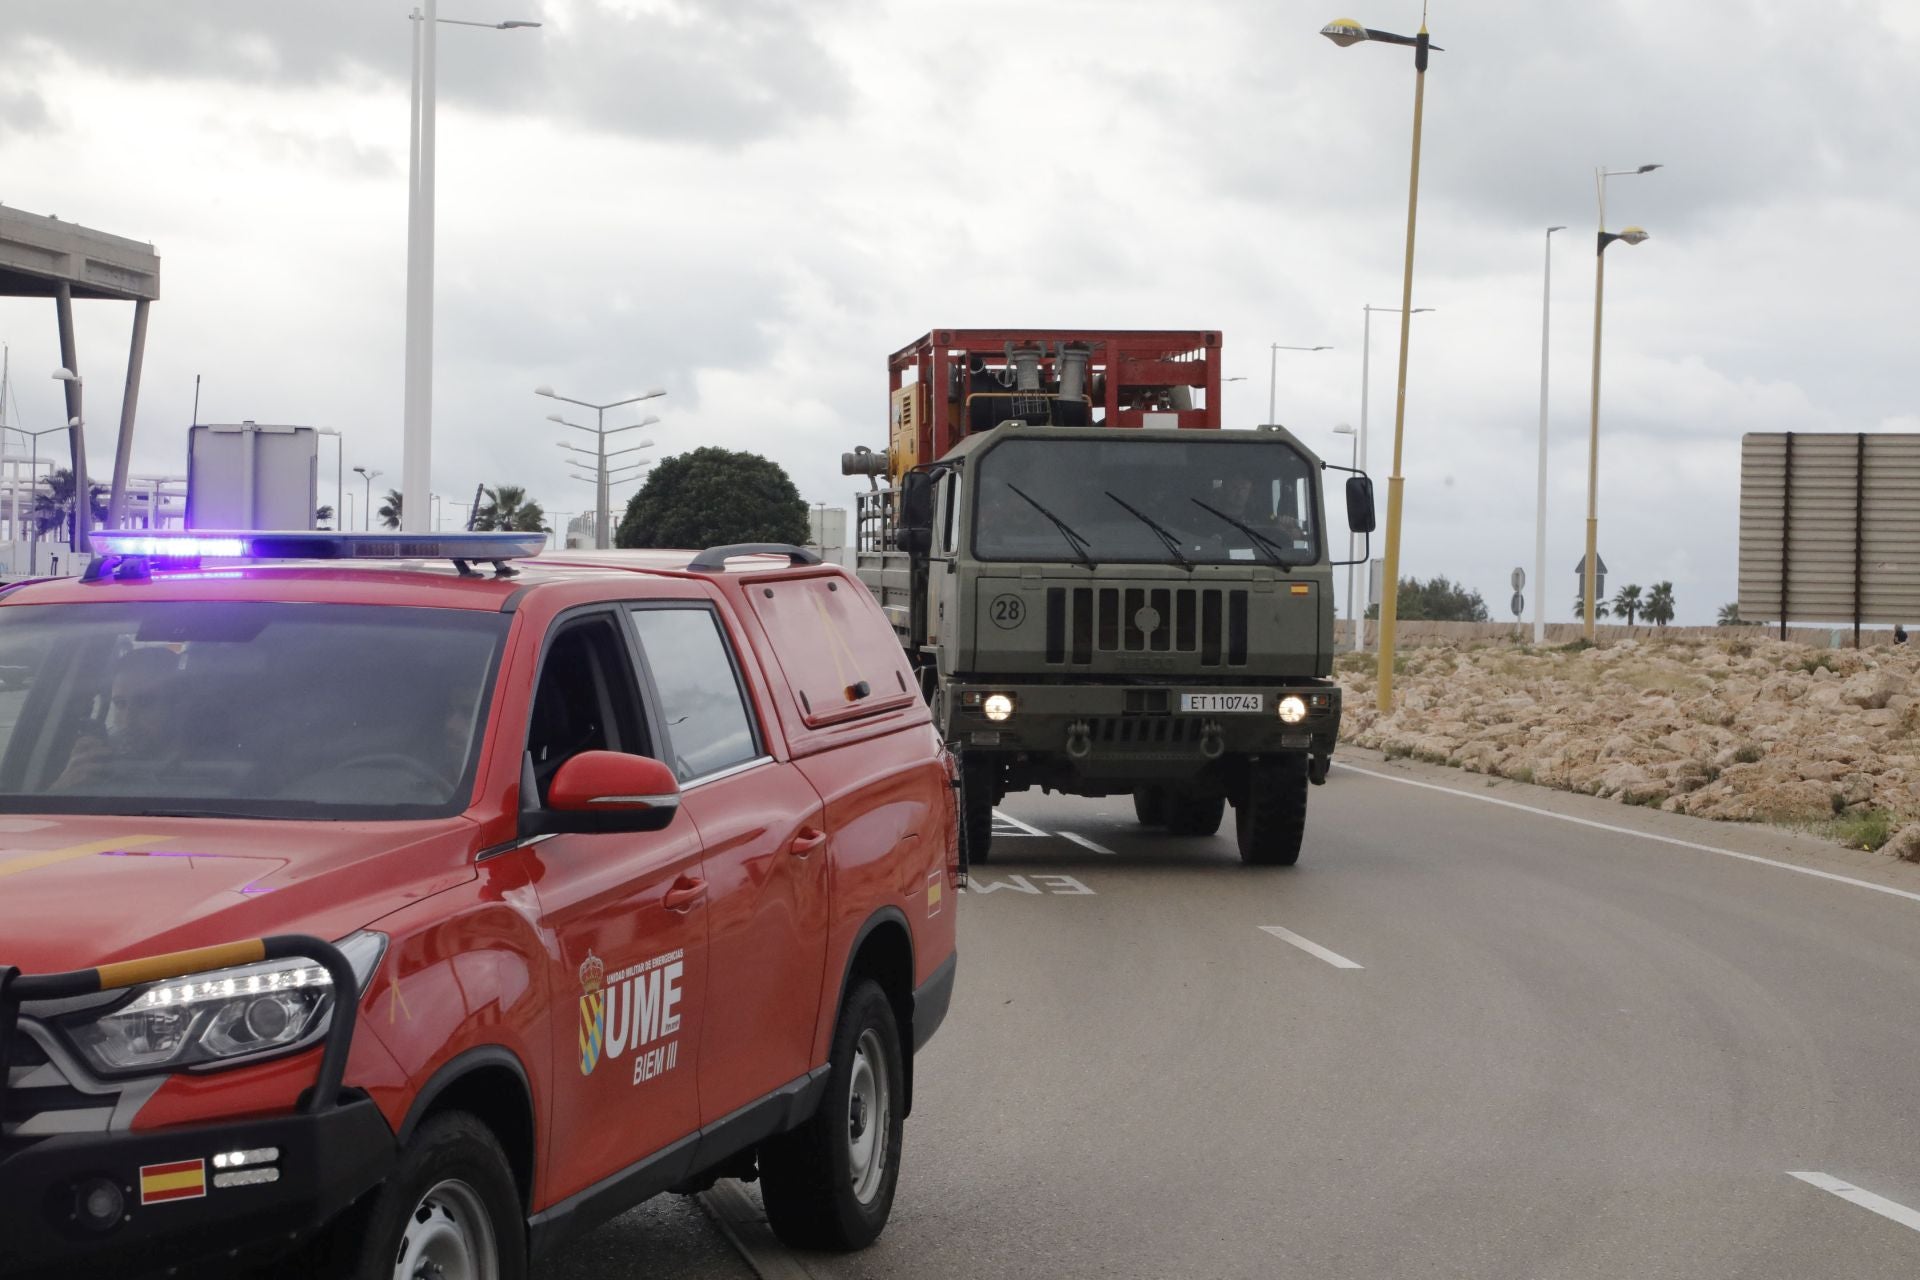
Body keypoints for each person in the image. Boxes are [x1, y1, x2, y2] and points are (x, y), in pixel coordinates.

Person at [51, 646, 185, 791]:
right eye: (120, 704)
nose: (128, 721)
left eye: (145, 703)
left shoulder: (204, 767)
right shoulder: (101, 762)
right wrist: (64, 786)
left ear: (176, 705)